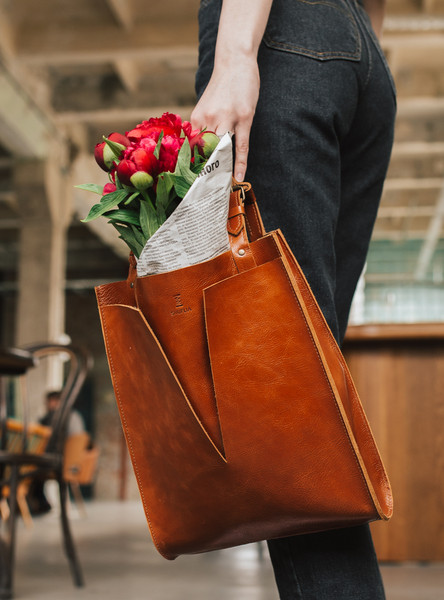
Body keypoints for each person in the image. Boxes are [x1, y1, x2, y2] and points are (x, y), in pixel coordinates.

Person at [191, 0, 396, 598]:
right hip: (359, 58)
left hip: (278, 42)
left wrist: (233, 57)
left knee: (292, 408)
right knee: (313, 390)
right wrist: (358, 46)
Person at [27, 390, 86, 515]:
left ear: (55, 401)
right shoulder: (75, 416)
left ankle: (34, 504)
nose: (47, 405)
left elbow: (46, 440)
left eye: (48, 402)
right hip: (72, 463)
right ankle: (40, 503)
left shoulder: (54, 417)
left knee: (28, 467)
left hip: (59, 461)